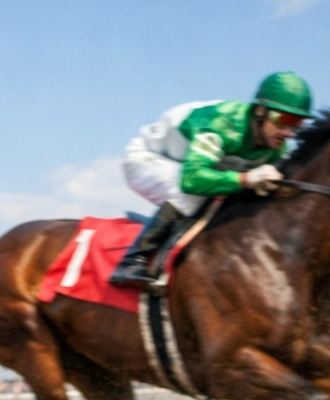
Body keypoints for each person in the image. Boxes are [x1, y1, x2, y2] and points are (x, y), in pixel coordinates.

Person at [108, 72, 313, 288]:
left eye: (298, 124)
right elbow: (192, 179)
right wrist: (246, 179)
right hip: (145, 158)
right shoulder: (222, 123)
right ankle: (132, 261)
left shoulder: (275, 147)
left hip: (184, 164)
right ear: (261, 110)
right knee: (191, 193)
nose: (288, 132)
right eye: (284, 120)